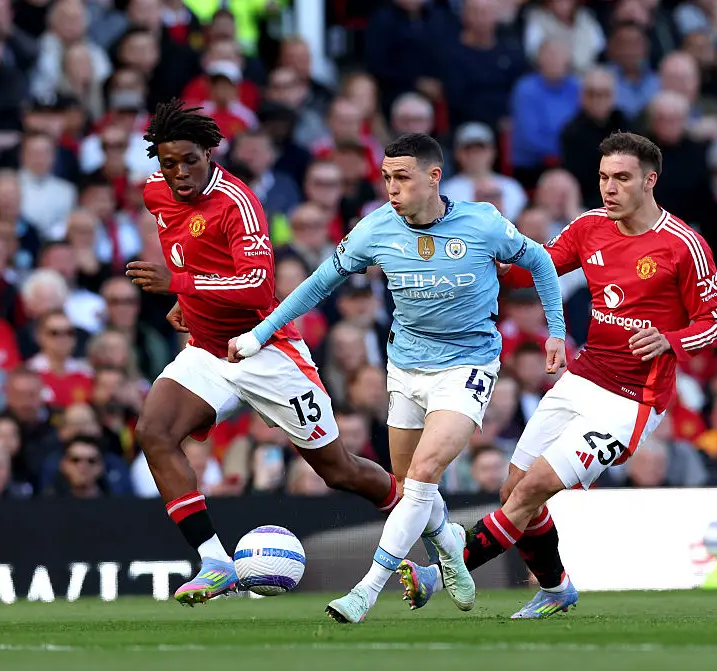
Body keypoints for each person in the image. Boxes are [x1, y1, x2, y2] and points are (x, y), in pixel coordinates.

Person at [229, 132, 567, 623]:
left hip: (467, 366)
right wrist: (260, 334)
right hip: (405, 369)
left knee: (424, 475)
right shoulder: (375, 229)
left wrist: (555, 331)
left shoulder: (482, 223)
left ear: (434, 177)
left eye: (402, 177)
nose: (391, 187)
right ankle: (449, 542)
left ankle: (365, 590)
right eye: (386, 177)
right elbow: (319, 283)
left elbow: (539, 259)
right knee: (410, 485)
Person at [399, 132, 717, 618]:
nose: (609, 188)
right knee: (513, 490)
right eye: (603, 177)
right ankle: (555, 589)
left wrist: (670, 340)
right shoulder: (591, 226)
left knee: (533, 488)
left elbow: (713, 323)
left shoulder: (683, 245)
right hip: (582, 378)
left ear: (650, 181)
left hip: (631, 400)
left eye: (622, 178)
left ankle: (438, 572)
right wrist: (481, 257)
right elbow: (539, 267)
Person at [124, 100, 397, 606]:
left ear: (209, 154)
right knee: (153, 431)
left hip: (265, 350)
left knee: (339, 470)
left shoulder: (237, 203)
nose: (179, 173)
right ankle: (215, 563)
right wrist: (190, 302)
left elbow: (257, 288)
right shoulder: (155, 193)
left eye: (189, 160)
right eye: (169, 163)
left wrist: (179, 285)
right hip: (209, 352)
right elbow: (198, 258)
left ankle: (427, 529)